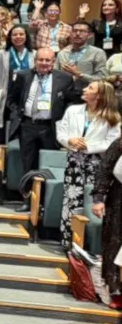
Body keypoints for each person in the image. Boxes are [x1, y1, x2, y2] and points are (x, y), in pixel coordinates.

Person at [55, 81, 121, 247]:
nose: (84, 89)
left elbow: (112, 143)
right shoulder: (73, 110)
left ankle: (91, 244)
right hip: (74, 162)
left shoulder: (113, 117)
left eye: (90, 88)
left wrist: (89, 147)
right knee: (71, 200)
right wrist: (70, 141)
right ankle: (68, 241)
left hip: (97, 164)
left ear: (99, 96)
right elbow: (61, 132)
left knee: (92, 201)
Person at [7, 48, 80, 180]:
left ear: (53, 62)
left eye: (48, 60)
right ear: (35, 61)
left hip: (50, 127)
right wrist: (16, 113)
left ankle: (46, 191)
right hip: (28, 125)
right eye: (41, 60)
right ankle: (28, 191)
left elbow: (70, 101)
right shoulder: (23, 76)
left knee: (49, 163)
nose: (44, 63)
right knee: (28, 163)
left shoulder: (65, 78)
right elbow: (12, 99)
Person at [92, 132, 122, 310]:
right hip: (118, 199)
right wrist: (98, 198)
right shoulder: (119, 143)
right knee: (114, 243)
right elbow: (104, 170)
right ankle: (115, 290)